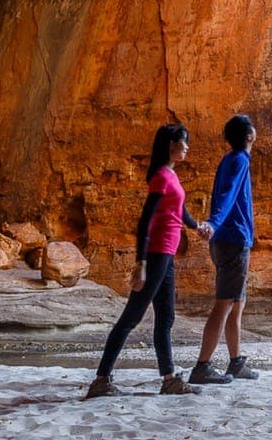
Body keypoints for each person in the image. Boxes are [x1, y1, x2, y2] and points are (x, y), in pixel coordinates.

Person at [86, 122, 212, 398]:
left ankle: (169, 379)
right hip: (156, 254)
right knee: (131, 317)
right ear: (171, 145)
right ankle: (101, 380)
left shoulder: (171, 176)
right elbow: (145, 222)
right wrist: (140, 263)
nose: (187, 147)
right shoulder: (160, 178)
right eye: (183, 142)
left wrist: (197, 226)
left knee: (166, 317)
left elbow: (180, 211)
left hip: (167, 255)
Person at [189, 114, 260, 385]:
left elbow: (223, 195)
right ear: (249, 136)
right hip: (232, 240)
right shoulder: (240, 160)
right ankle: (202, 366)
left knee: (237, 303)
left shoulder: (229, 159)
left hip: (227, 239)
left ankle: (236, 362)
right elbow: (227, 195)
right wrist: (215, 223)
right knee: (224, 305)